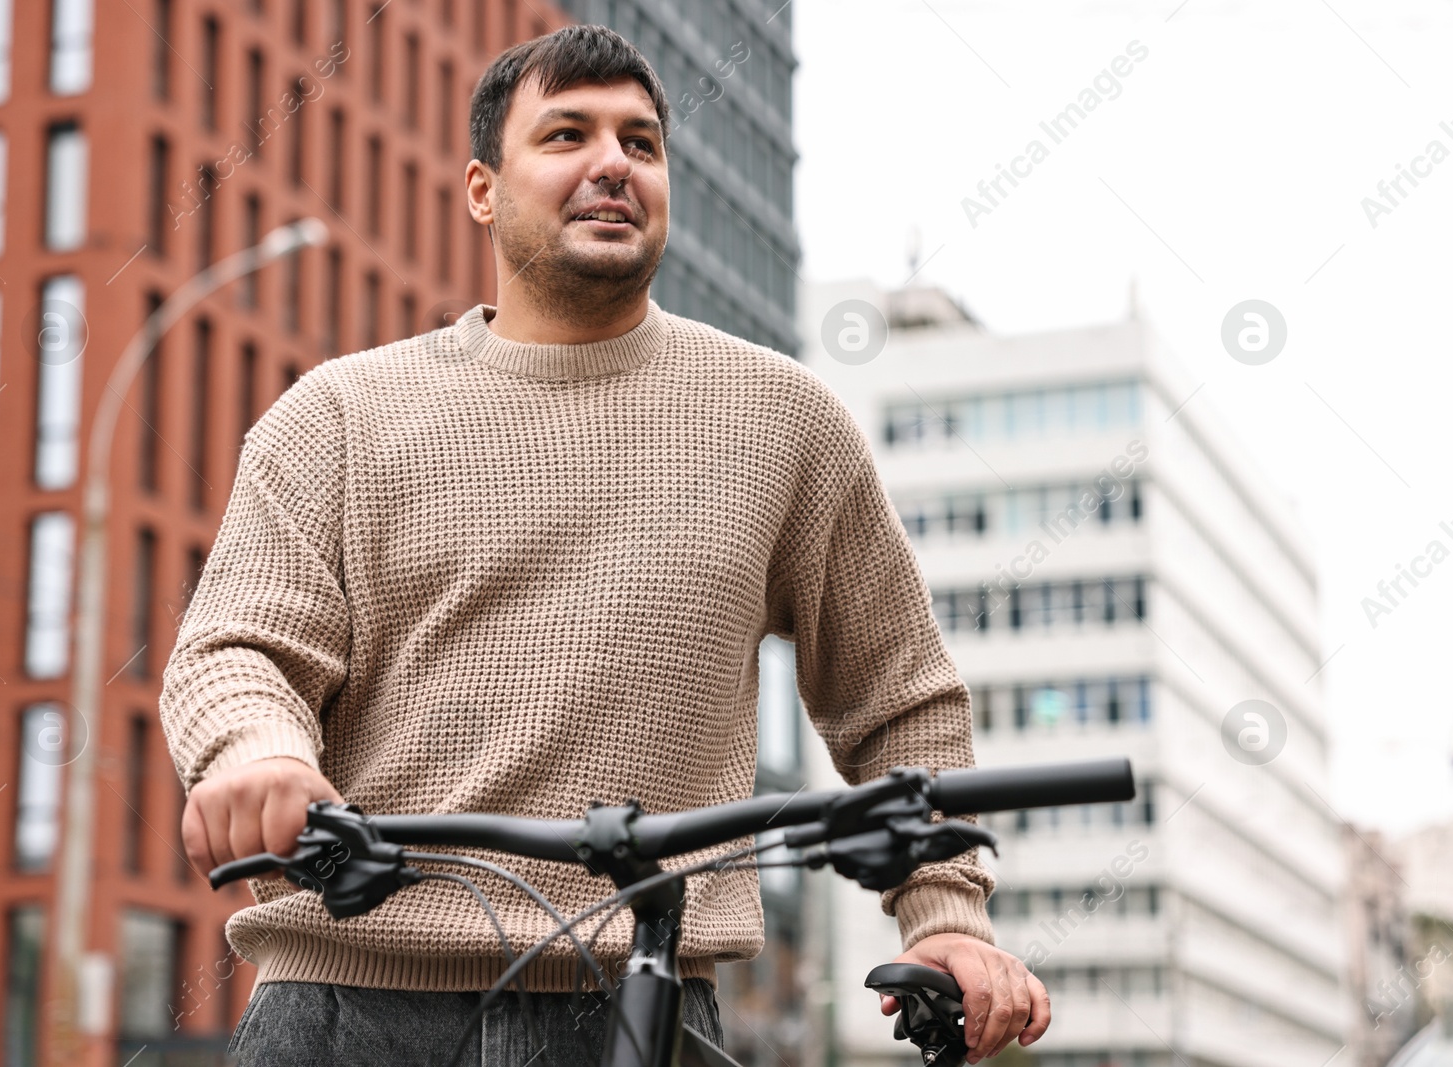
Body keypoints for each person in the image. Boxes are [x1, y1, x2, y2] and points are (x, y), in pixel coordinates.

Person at [161, 24, 1048, 1067]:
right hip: (348, 1008)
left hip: (653, 1001)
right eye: (567, 134)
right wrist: (259, 752)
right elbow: (234, 650)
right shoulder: (339, 415)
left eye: (641, 140)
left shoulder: (784, 421)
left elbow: (896, 693)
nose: (612, 163)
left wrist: (944, 911)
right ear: (483, 189)